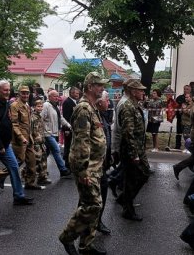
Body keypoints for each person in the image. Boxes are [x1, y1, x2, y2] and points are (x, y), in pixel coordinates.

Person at [59, 72, 108, 255]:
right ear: (90, 87)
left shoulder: (92, 107)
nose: (103, 88)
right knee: (93, 205)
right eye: (99, 85)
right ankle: (67, 237)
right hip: (86, 167)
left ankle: (86, 246)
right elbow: (81, 142)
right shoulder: (84, 109)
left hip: (95, 165)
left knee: (94, 206)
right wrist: (82, 171)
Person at [0, 80, 33, 206]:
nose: (7, 92)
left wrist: (7, 142)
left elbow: (9, 122)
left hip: (5, 143)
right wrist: (0, 146)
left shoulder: (7, 103)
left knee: (14, 167)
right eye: (5, 90)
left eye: (9, 90)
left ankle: (19, 196)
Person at [0, 85, 43, 190]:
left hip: (29, 137)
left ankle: (30, 183)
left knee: (32, 161)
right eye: (23, 93)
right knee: (19, 161)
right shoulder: (14, 105)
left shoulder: (27, 105)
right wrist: (21, 137)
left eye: (27, 93)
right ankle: (2, 174)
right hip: (19, 139)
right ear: (19, 94)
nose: (25, 95)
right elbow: (14, 124)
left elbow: (28, 123)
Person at [118, 80, 150, 221]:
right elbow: (127, 133)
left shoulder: (135, 105)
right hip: (131, 149)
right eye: (140, 90)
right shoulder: (127, 107)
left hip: (138, 147)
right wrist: (134, 154)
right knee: (132, 178)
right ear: (132, 91)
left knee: (143, 174)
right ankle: (127, 210)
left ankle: (124, 199)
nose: (143, 92)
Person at [41, 90, 71, 178]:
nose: (57, 98)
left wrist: (69, 125)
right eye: (55, 96)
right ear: (49, 96)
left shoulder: (55, 106)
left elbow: (60, 118)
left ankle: (34, 171)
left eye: (58, 96)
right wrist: (44, 130)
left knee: (44, 155)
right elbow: (40, 118)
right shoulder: (46, 105)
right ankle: (63, 169)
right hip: (48, 133)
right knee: (56, 150)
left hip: (54, 133)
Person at [96, 90, 112, 235]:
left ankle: (97, 221)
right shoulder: (91, 114)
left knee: (102, 193)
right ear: (100, 102)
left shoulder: (103, 114)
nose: (109, 102)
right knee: (90, 200)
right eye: (107, 100)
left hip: (103, 163)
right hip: (94, 166)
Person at [31, 99, 51, 185]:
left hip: (41, 141)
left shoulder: (40, 116)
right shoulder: (33, 117)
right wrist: (34, 142)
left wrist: (43, 140)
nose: (40, 108)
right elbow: (33, 131)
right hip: (36, 142)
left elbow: (41, 129)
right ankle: (25, 174)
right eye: (38, 106)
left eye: (41, 106)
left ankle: (42, 177)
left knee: (43, 159)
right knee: (36, 160)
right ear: (34, 107)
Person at [62, 87, 81, 169]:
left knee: (72, 146)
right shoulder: (67, 102)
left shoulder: (75, 102)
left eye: (78, 93)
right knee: (68, 145)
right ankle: (67, 163)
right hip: (69, 129)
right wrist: (67, 129)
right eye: (76, 93)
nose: (78, 95)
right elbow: (66, 117)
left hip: (74, 128)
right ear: (71, 93)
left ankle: (71, 163)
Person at [175, 85, 192, 149]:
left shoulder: (192, 99)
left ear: (190, 90)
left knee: (187, 134)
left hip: (188, 120)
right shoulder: (179, 97)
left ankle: (188, 147)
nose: (185, 90)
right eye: (184, 89)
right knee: (178, 133)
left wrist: (184, 110)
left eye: (187, 89)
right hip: (180, 118)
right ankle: (177, 146)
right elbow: (175, 106)